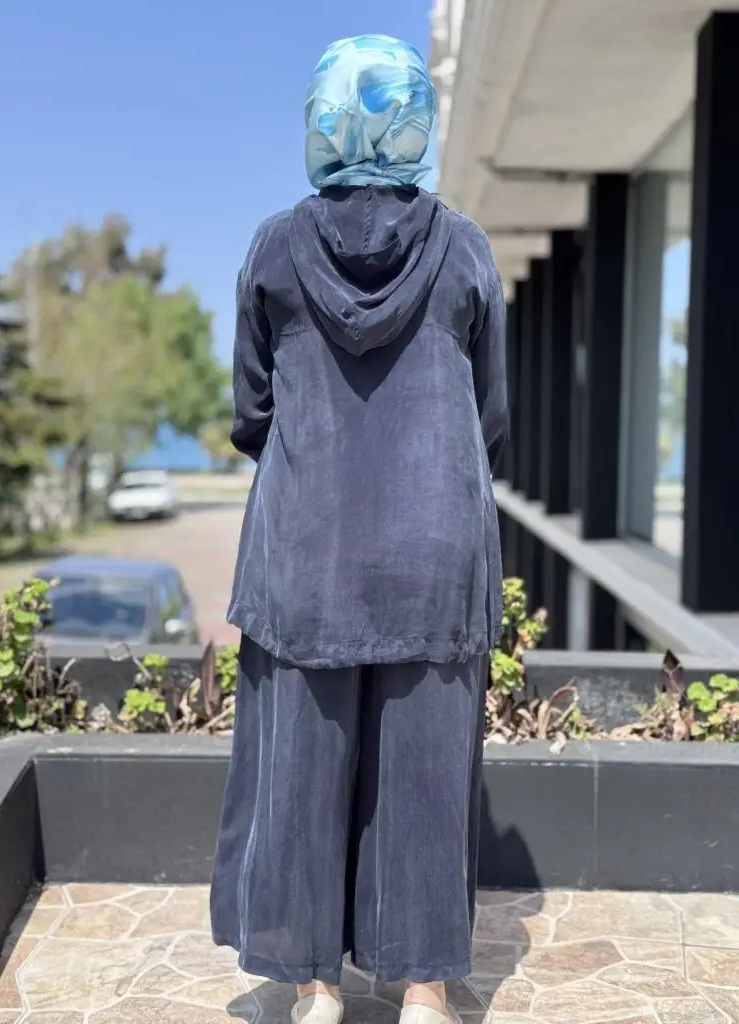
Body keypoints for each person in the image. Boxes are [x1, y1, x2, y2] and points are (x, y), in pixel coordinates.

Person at [210, 33, 508, 1024]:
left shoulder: (274, 247)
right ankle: (423, 989)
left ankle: (314, 988)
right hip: (434, 546)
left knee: (299, 768)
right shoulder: (464, 246)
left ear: (322, 122)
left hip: (307, 545)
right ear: (415, 121)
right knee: (426, 766)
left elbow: (251, 407)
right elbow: (490, 412)